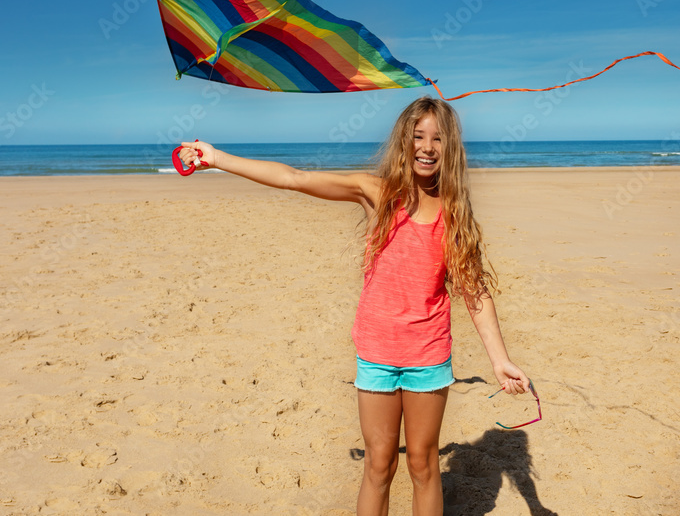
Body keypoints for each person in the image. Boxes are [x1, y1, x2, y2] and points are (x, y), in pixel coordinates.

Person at [176, 95, 530, 516]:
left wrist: (500, 359)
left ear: (450, 148)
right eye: (418, 136)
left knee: (423, 464)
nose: (427, 146)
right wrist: (216, 157)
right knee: (379, 465)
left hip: (428, 357)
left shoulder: (454, 214)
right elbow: (294, 177)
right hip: (377, 355)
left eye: (438, 138)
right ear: (404, 141)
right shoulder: (377, 193)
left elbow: (474, 291)